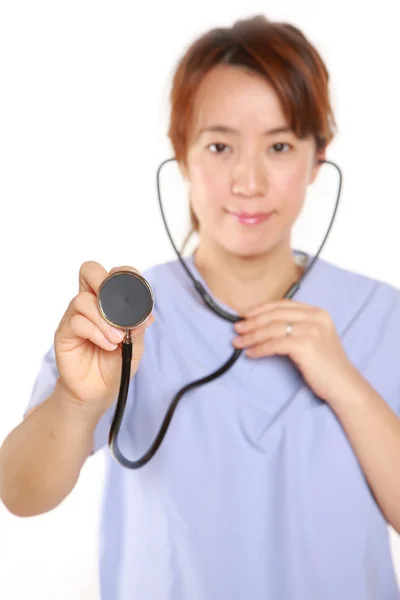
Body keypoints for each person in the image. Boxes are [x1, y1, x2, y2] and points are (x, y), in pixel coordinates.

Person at [1, 13, 400, 600]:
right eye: (219, 145)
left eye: (281, 146)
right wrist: (76, 401)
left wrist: (346, 385)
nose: (248, 181)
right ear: (181, 154)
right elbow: (19, 492)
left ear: (319, 158)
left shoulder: (380, 314)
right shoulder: (123, 320)